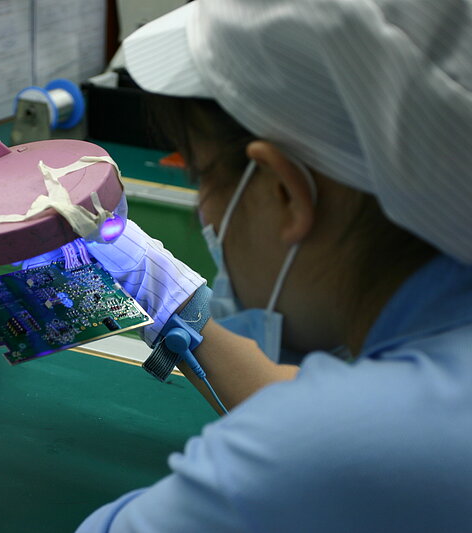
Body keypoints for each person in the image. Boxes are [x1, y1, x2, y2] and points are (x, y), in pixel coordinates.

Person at [56, 1, 472, 531]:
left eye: (203, 177)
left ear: (284, 194)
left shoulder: (318, 455)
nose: (207, 207)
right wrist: (148, 276)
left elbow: (319, 444)